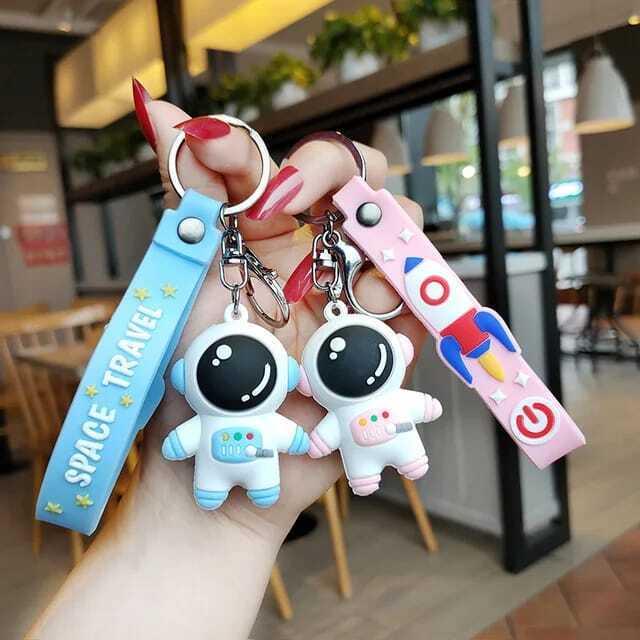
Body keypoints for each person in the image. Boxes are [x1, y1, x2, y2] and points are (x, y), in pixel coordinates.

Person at [28, 82, 427, 640]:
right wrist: (189, 514)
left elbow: (305, 435)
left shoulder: (301, 370)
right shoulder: (239, 359)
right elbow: (212, 441)